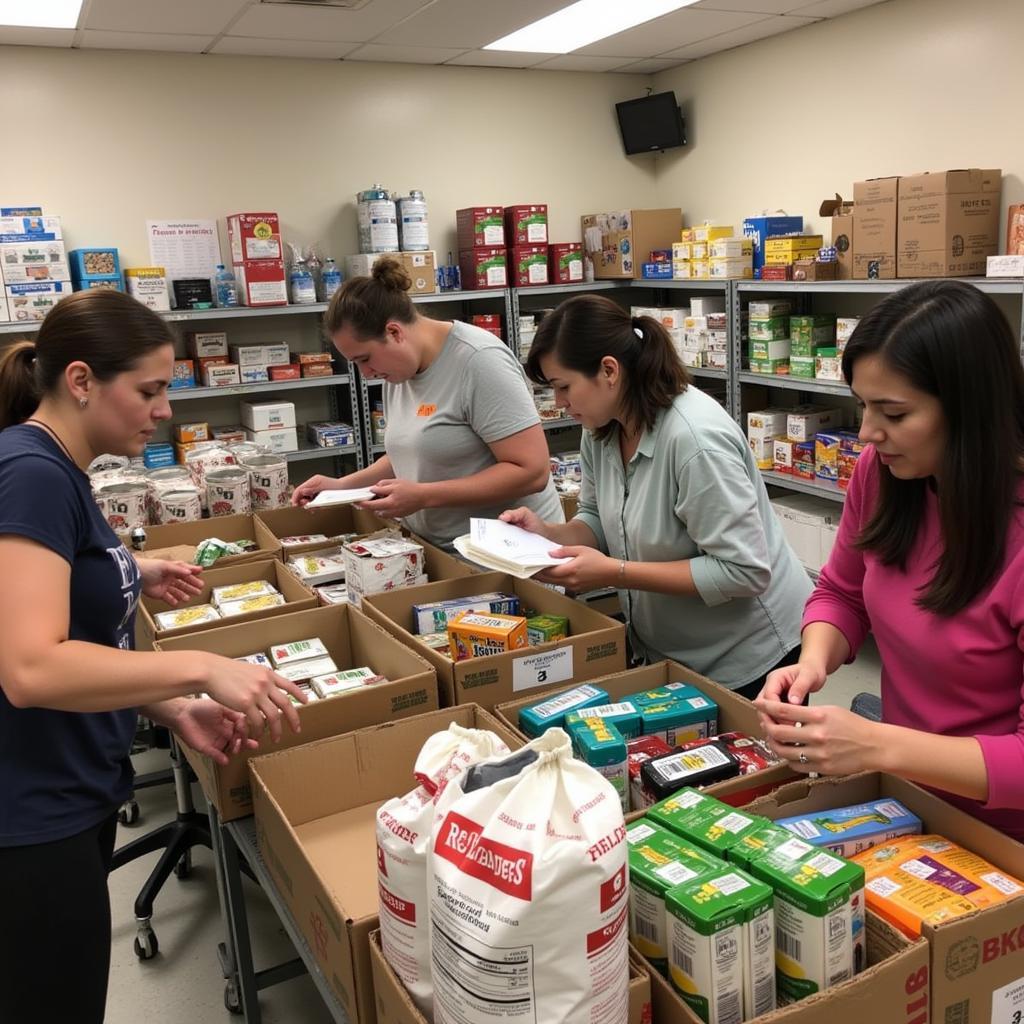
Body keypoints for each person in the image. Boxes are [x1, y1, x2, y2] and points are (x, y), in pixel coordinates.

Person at [0, 290, 307, 1024]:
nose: (165, 409)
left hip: (73, 784)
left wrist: (169, 708)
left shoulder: (57, 466)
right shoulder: (31, 474)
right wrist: (200, 668)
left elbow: (78, 626)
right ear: (80, 381)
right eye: (150, 389)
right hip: (32, 815)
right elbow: (30, 667)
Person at [757, 280, 1024, 840]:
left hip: (999, 834)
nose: (867, 433)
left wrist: (875, 744)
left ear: (972, 409)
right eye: (862, 405)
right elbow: (841, 591)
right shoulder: (884, 475)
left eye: (894, 413)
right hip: (905, 798)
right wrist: (813, 661)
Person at [501, 293, 811, 695]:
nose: (559, 404)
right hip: (674, 650)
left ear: (609, 370)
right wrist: (547, 534)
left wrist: (614, 572)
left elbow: (743, 571)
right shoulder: (602, 427)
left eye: (563, 387)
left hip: (751, 658)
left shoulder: (694, 441)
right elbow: (596, 516)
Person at [291, 257, 562, 548]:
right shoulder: (399, 372)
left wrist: (424, 496)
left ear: (394, 332)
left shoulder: (479, 361)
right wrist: (342, 486)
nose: (366, 374)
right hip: (445, 548)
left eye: (365, 359)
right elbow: (411, 452)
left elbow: (532, 471)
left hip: (511, 552)